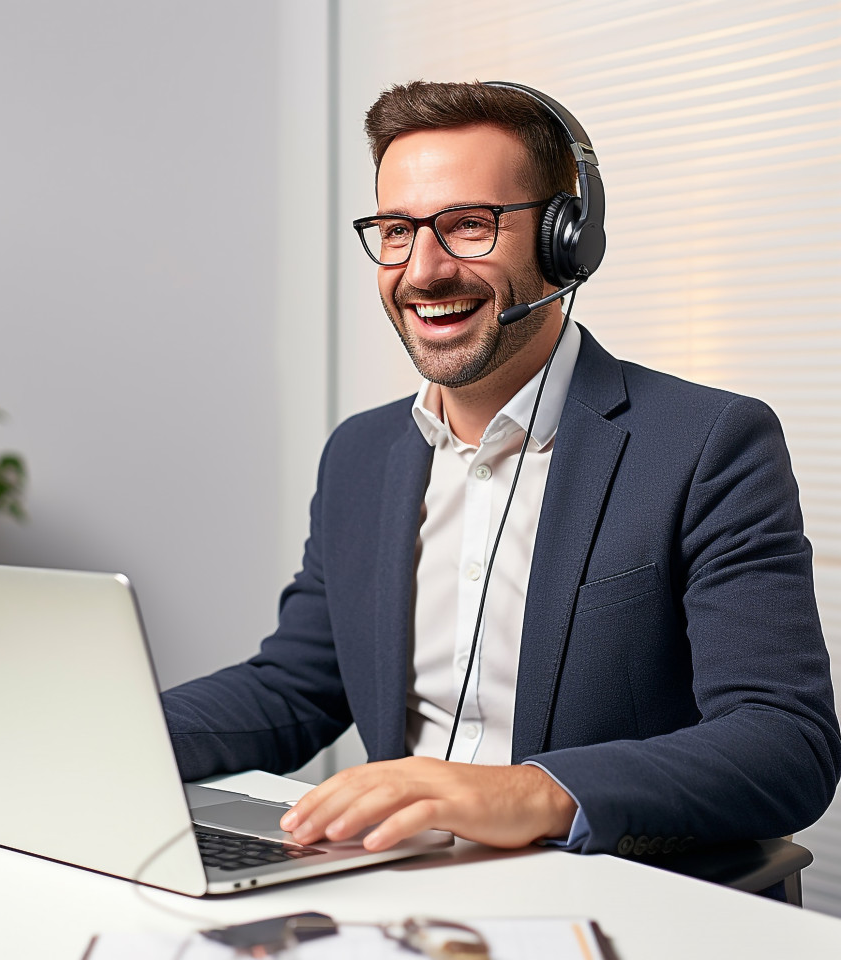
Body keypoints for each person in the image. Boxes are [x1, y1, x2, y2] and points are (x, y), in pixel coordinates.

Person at [162, 81, 840, 860]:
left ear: (566, 241)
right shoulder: (360, 454)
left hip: (601, 894)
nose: (422, 271)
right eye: (395, 230)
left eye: (467, 227)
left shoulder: (707, 444)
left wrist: (528, 791)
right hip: (393, 893)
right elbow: (294, 689)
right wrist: (106, 736)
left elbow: (786, 744)